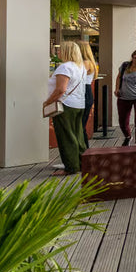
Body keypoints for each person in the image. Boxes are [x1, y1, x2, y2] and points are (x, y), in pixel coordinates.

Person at [44, 41, 87, 174]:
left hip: (66, 105)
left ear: (67, 52)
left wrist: (47, 102)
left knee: (66, 136)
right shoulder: (81, 67)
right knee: (78, 135)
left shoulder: (65, 67)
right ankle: (82, 163)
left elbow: (60, 90)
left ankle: (71, 167)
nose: (58, 52)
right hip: (79, 104)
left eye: (60, 50)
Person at [76, 40, 97, 149]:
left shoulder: (85, 63)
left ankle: (83, 154)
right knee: (80, 126)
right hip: (86, 92)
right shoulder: (89, 62)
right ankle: (83, 153)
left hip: (83, 92)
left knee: (80, 126)